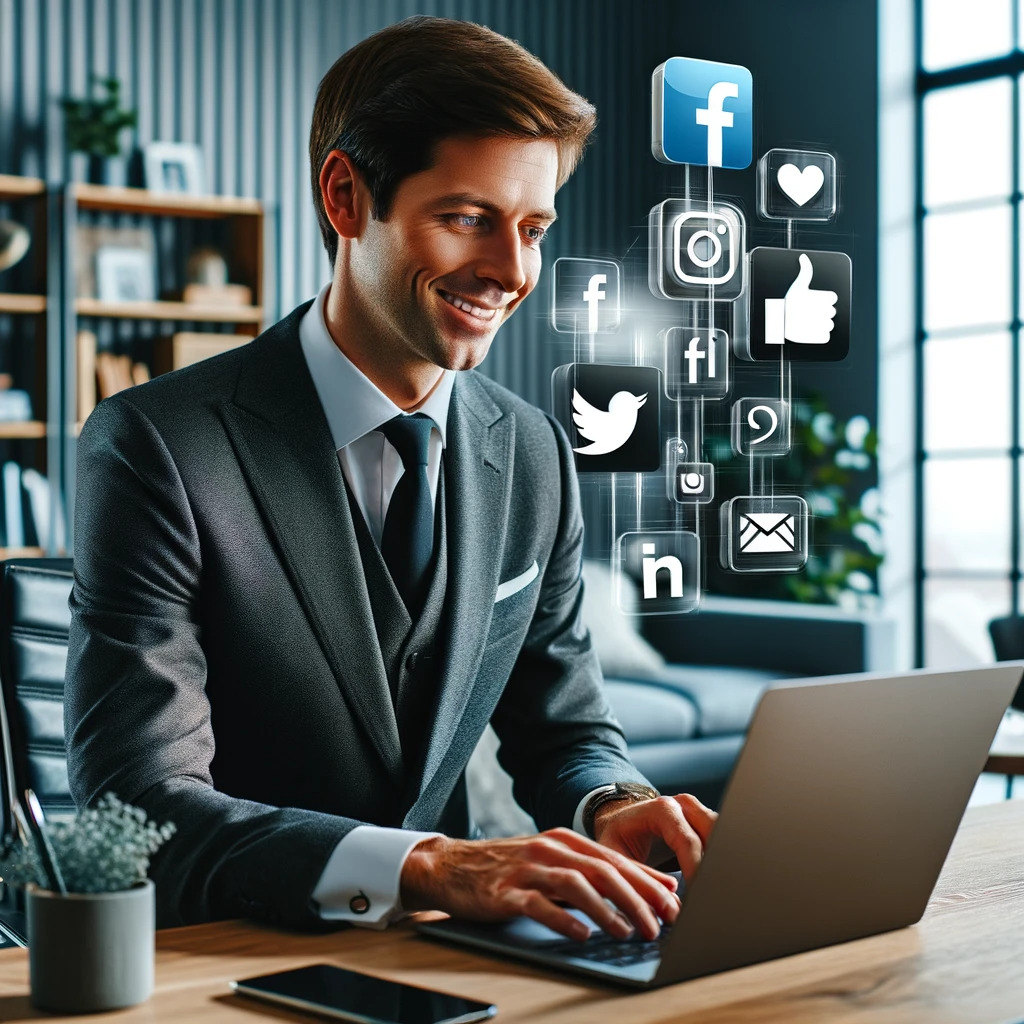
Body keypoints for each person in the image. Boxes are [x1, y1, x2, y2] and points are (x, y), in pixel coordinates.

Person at [64, 16, 715, 944]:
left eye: (533, 228)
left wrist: (613, 803)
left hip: (454, 963)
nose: (512, 270)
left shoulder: (532, 450)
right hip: (231, 962)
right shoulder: (155, 445)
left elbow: (565, 730)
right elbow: (142, 807)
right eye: (468, 219)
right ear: (345, 195)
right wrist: (428, 866)